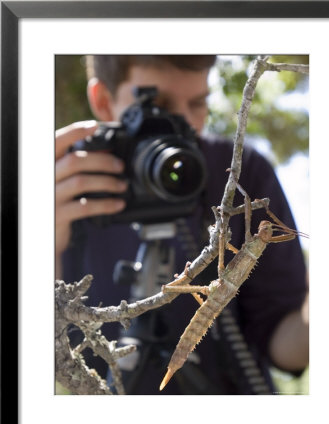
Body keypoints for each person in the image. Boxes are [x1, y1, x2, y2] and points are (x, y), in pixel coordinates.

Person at [56, 55, 309, 395]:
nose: (185, 124)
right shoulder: (68, 185)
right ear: (103, 102)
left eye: (198, 103)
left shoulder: (241, 171)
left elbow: (288, 349)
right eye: (157, 105)